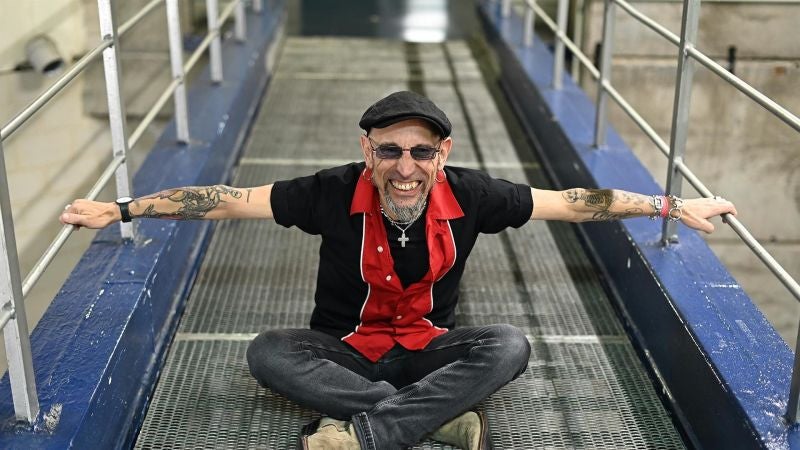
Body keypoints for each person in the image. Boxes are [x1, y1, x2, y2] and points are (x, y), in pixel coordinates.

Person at [60, 91, 737, 450]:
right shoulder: (329, 192)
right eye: (389, 151)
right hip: (343, 350)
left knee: (508, 345)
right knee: (269, 351)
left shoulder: (473, 194)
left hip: (427, 348)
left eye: (420, 152)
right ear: (368, 150)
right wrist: (121, 209)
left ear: (443, 153)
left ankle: (365, 432)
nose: (405, 167)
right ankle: (437, 421)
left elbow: (572, 202)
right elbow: (226, 201)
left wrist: (671, 205)